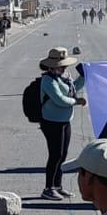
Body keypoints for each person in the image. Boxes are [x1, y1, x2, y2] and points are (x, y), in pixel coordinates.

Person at [36, 47, 86, 201]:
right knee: (55, 155)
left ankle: (57, 186)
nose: (64, 68)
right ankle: (48, 188)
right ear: (52, 66)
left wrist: (84, 76)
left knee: (62, 155)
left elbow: (74, 88)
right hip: (51, 122)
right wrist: (76, 101)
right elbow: (60, 99)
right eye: (62, 66)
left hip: (65, 121)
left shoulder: (64, 77)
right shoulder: (48, 80)